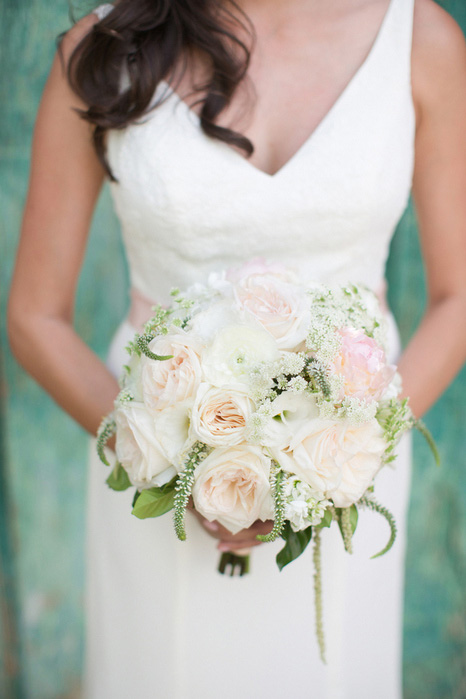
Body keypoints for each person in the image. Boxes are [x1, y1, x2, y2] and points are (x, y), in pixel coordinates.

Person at [7, 0, 466, 696]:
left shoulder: (419, 38)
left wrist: (344, 453)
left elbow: (458, 298)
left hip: (350, 469)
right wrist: (166, 460)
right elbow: (35, 315)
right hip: (152, 473)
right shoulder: (105, 48)